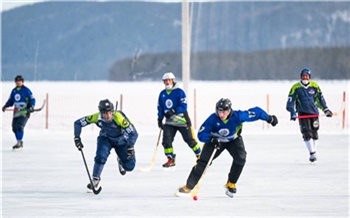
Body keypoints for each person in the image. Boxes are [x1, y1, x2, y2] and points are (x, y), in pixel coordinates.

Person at [175, 98, 278, 198]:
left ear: (229, 111)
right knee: (203, 162)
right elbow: (201, 134)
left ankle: (231, 183)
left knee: (241, 158)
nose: (221, 115)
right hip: (215, 141)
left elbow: (257, 112)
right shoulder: (212, 119)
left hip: (233, 140)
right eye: (219, 112)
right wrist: (211, 139)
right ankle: (188, 186)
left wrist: (269, 118)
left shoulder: (238, 116)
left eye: (224, 112)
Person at [73, 99, 138, 191]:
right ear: (100, 113)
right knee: (100, 156)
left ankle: (120, 161)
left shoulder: (119, 118)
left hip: (122, 140)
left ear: (112, 112)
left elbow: (134, 133)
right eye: (104, 113)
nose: (107, 116)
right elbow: (78, 123)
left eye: (109, 113)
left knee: (130, 166)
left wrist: (131, 146)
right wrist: (77, 137)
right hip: (106, 139)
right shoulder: (96, 117)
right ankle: (95, 179)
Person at [286, 68, 333, 163]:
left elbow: (320, 99)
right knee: (307, 133)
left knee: (314, 133)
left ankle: (314, 152)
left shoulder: (315, 86)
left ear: (309, 77)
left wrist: (326, 109)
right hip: (303, 114)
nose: (305, 77)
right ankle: (312, 153)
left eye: (306, 75)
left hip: (314, 113)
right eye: (303, 75)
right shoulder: (295, 87)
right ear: (300, 77)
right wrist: (292, 112)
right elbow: (290, 102)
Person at [157, 72, 201, 168]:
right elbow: (160, 107)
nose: (167, 82)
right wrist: (159, 119)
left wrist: (173, 111)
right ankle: (170, 158)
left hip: (182, 121)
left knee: (190, 140)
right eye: (165, 81)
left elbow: (183, 106)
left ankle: (200, 156)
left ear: (173, 81)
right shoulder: (162, 94)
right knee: (166, 141)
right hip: (169, 122)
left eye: (169, 80)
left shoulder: (179, 92)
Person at [2, 75, 36, 150]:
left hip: (24, 111)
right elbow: (11, 100)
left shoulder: (26, 90)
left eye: (19, 81)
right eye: (17, 81)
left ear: (22, 82)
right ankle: (19, 142)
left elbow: (32, 98)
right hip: (16, 111)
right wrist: (6, 106)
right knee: (14, 128)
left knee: (19, 126)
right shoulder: (14, 91)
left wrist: (32, 106)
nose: (18, 82)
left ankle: (19, 142)